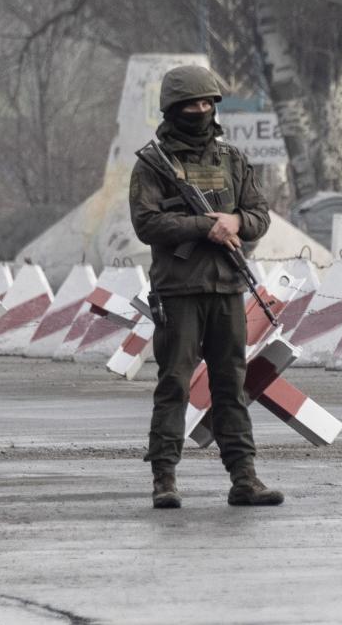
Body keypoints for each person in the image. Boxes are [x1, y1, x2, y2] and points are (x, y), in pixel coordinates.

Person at [129, 64, 284, 509]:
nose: (200, 111)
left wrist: (236, 222)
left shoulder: (232, 160)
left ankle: (244, 478)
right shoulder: (153, 164)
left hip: (226, 288)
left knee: (230, 386)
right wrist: (203, 227)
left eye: (207, 103)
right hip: (178, 290)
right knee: (174, 382)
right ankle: (164, 478)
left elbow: (259, 214)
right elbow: (147, 223)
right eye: (192, 104)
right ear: (173, 109)